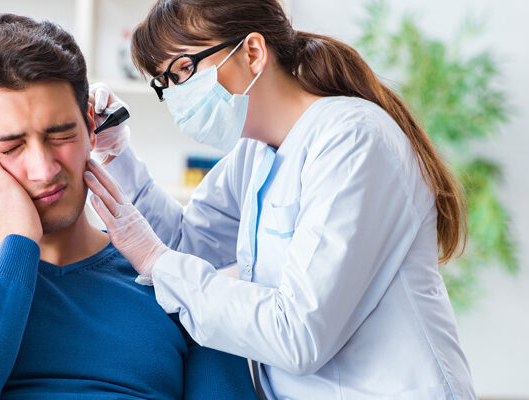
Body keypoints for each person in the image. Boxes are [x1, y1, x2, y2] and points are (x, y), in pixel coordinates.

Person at [0, 13, 257, 400]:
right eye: (10, 147)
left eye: (60, 136)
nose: (43, 169)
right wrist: (19, 245)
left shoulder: (175, 281)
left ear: (92, 131)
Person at [83, 0, 478, 398]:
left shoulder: (353, 139)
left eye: (184, 70)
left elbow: (300, 334)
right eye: (164, 83)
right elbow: (188, 248)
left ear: (253, 52)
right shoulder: (254, 153)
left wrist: (156, 260)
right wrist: (115, 155)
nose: (176, 95)